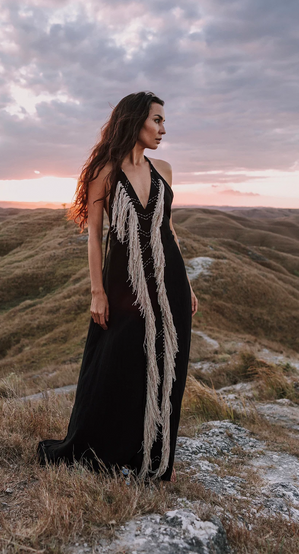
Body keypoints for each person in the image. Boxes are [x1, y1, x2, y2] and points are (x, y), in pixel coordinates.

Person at [37, 91, 198, 482]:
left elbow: (169, 230)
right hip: (124, 285)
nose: (163, 129)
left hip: (169, 283)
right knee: (117, 366)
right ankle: (104, 450)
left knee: (168, 365)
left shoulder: (165, 169)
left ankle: (155, 461)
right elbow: (94, 236)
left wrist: (188, 285)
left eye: (163, 121)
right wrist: (97, 291)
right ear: (135, 121)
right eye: (157, 120)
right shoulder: (105, 173)